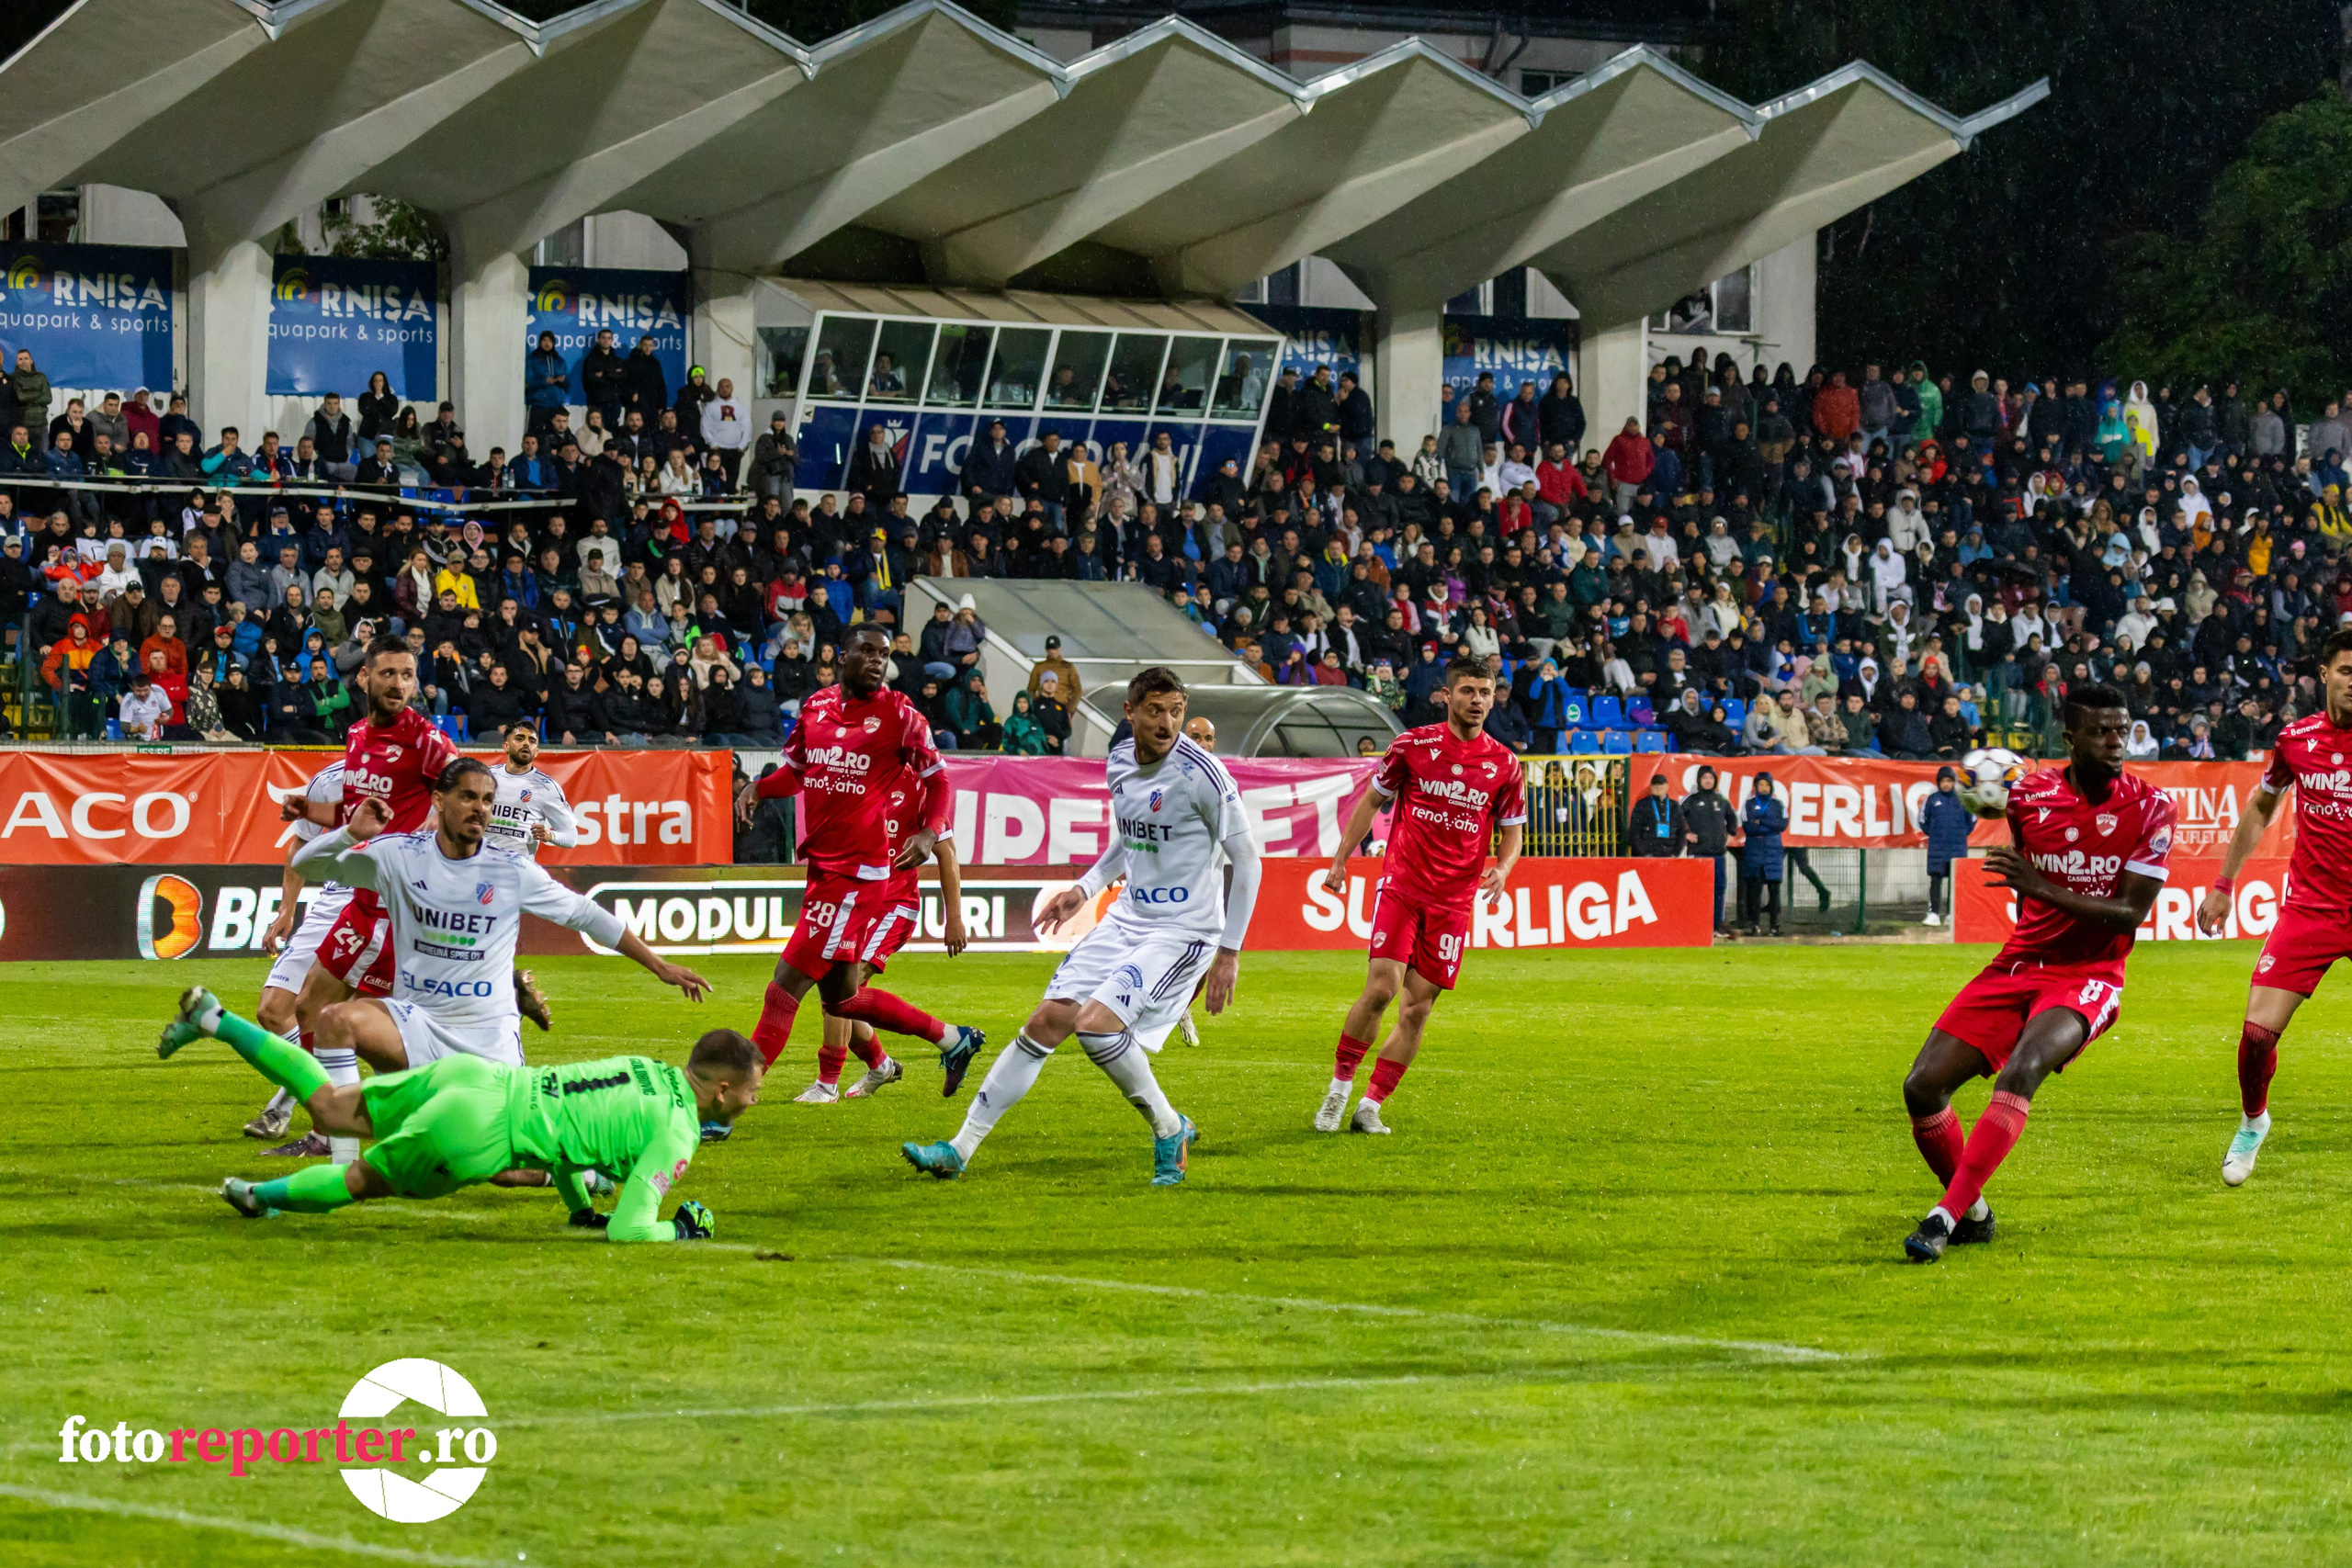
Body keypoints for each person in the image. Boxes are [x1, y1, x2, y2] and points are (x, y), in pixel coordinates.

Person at [903, 668, 1261, 1183]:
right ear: (1130, 713)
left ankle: (1167, 1129)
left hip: (1183, 930)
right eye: (1156, 711)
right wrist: (1083, 890)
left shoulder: (1202, 774)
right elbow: (1130, 840)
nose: (1168, 723)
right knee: (1044, 1023)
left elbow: (1247, 862)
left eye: (1176, 711)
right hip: (1127, 918)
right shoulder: (1119, 762)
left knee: (1095, 1025)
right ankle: (958, 1149)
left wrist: (1229, 952)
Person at [1899, 684, 2171, 1262]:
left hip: (2090, 973)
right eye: (2100, 731)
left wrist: (2043, 887)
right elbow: (2007, 805)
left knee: (2021, 1070)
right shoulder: (2028, 794)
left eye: (2122, 730)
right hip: (2021, 960)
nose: (2115, 742)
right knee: (1922, 1088)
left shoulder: (2153, 808)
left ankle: (1942, 1217)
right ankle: (1974, 1211)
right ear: (2070, 739)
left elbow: (2130, 913)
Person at [160, 987, 748, 1241]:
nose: (753, 1101)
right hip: (479, 1131)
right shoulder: (677, 1131)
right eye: (750, 1092)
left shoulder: (645, 1067)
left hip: (474, 1076)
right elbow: (632, 1231)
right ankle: (257, 1196)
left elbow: (573, 1147)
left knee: (330, 1108)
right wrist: (682, 1230)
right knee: (361, 1180)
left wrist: (579, 1211)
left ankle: (215, 1019)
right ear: (720, 1092)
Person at [286, 761, 711, 1085]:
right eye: (469, 797)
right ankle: (339, 1150)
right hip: (417, 1024)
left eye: (487, 800)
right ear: (439, 800)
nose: (480, 808)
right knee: (333, 1020)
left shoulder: (512, 871)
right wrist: (348, 834)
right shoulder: (399, 854)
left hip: (488, 1041)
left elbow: (586, 914)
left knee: (505, 1165)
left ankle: (583, 1172)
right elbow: (308, 862)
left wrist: (660, 966)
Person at [735, 625, 987, 1134]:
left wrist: (930, 831)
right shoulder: (816, 709)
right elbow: (796, 772)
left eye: (885, 654)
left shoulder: (901, 716)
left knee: (784, 989)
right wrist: (760, 788)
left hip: (861, 876)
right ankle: (951, 1039)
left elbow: (940, 782)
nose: (877, 661)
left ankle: (733, 1100)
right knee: (843, 1000)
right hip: (823, 867)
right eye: (867, 652)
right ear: (840, 654)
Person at [1311, 652, 1524, 1134]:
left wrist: (1504, 868)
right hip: (1403, 886)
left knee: (1418, 1008)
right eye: (1467, 691)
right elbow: (1371, 801)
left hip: (1453, 902)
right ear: (1447, 695)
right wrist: (1342, 858)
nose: (1476, 700)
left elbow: (1512, 830)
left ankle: (1371, 1106)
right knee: (1383, 989)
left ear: (1494, 699)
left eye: (1485, 692)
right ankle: (1338, 1091)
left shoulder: (1505, 765)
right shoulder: (1412, 745)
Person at [266, 639, 463, 1157]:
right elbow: (356, 816)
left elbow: (468, 794)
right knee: (312, 1009)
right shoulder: (356, 735)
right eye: (390, 674)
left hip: (390, 909)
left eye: (409, 675)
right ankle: (348, 1126)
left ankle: (362, 1128)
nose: (400, 685)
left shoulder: (426, 740)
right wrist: (307, 807)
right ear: (365, 678)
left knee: (352, 1023)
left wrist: (433, 827)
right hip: (362, 900)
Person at [2197, 629, 2352, 1186]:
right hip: (2311, 909)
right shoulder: (2297, 740)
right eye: (2346, 670)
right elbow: (2260, 810)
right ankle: (2253, 1121)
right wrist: (2222, 883)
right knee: (2257, 1038)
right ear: (2325, 674)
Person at [795, 751, 972, 1104]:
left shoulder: (920, 787)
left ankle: (827, 1083)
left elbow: (947, 853)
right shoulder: (855, 779)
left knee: (844, 992)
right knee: (835, 995)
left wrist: (954, 917)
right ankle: (881, 1064)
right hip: (854, 902)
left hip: (894, 906)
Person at [1682, 764, 1736, 935]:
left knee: (1719, 889)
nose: (1708, 781)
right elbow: (1677, 819)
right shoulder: (1690, 801)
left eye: (1711, 778)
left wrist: (1731, 834)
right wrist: (1686, 834)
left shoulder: (1721, 801)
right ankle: (1697, 925)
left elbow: (1732, 819)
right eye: (1705, 778)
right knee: (1697, 891)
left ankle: (1716, 925)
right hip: (1698, 854)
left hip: (1718, 854)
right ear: (1699, 780)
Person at [1920, 764, 1973, 928]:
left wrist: (1960, 834)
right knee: (1935, 881)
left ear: (1954, 782)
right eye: (1942, 781)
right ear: (1938, 783)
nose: (1946, 784)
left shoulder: (1963, 799)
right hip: (1937, 849)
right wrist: (1936, 834)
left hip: (1957, 848)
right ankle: (1934, 914)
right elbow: (1923, 821)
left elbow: (1971, 821)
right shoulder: (1932, 800)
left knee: (1955, 883)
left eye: (1949, 781)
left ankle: (1952, 914)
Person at [1739, 772, 1787, 936]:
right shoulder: (1749, 804)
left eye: (1766, 785)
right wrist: (1770, 827)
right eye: (1761, 785)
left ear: (1771, 786)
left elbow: (1782, 825)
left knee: (1774, 890)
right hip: (1755, 850)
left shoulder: (1778, 804)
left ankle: (1774, 926)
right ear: (1756, 787)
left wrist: (1762, 821)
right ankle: (1756, 926)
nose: (1764, 788)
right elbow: (1748, 827)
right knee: (1755, 889)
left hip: (1773, 851)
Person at [1627, 772, 1686, 858]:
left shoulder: (1674, 806)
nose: (1658, 787)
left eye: (1661, 784)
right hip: (1647, 857)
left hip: (1669, 856)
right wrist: (1644, 854)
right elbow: (1634, 832)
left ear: (1667, 786)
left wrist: (1675, 854)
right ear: (1651, 787)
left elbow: (1681, 831)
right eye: (1655, 785)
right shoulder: (1642, 805)